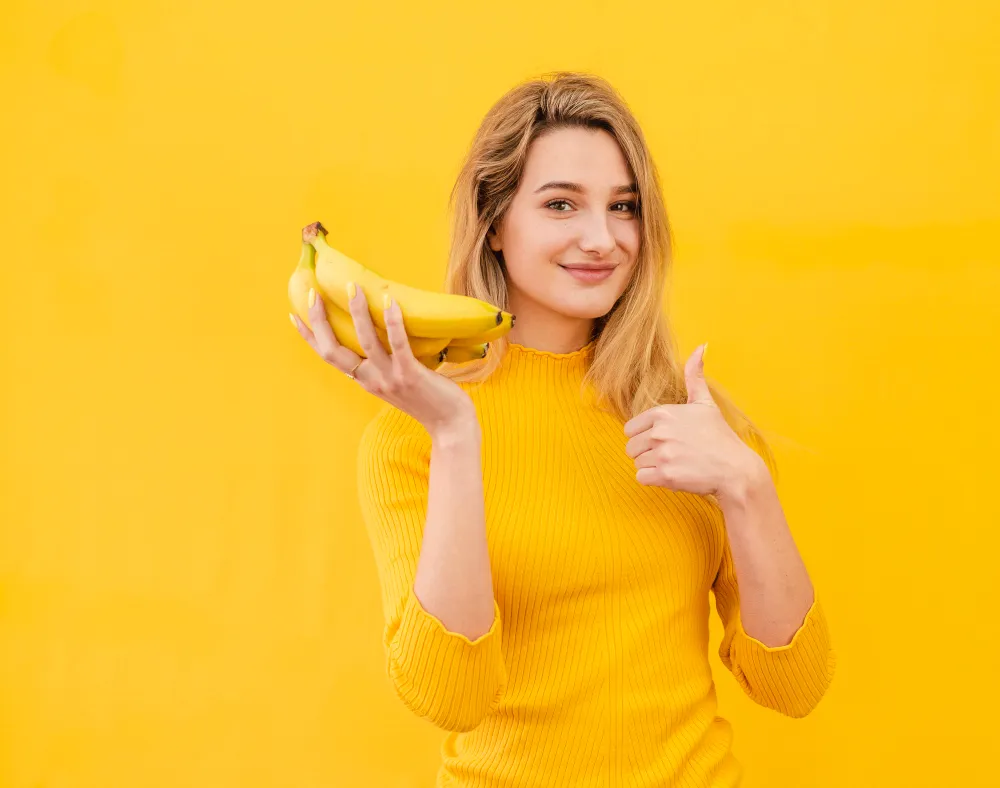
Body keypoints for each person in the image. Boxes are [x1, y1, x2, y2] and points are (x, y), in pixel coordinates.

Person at [291, 71, 835, 788]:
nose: (602, 238)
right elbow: (448, 696)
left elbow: (793, 688)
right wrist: (457, 437)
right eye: (561, 205)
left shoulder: (695, 423)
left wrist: (748, 487)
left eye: (624, 207)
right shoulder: (410, 443)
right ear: (493, 223)